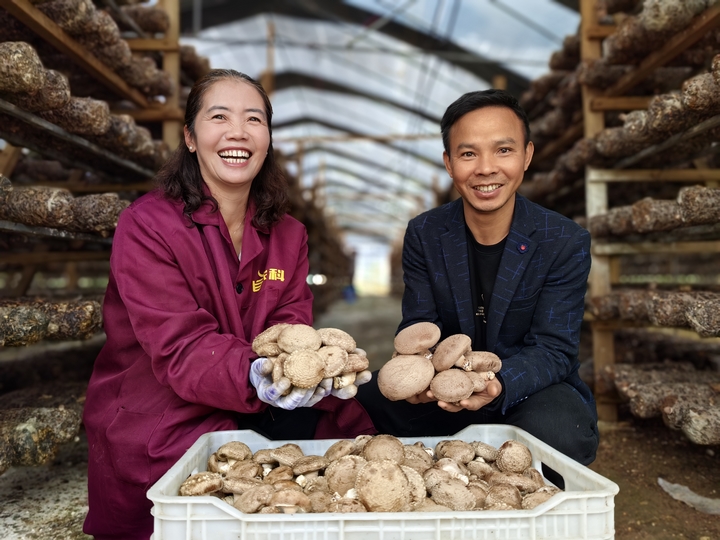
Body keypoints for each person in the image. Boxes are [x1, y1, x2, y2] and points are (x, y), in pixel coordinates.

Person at [82, 69, 375, 540]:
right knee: (213, 481)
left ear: (268, 139)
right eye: (219, 116)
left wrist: (307, 368)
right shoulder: (148, 225)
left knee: (346, 440)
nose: (238, 132)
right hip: (162, 401)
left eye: (254, 119)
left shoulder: (288, 233)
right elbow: (179, 344)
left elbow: (290, 323)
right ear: (191, 138)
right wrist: (251, 375)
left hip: (255, 397)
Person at [356, 89, 599, 474]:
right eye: (468, 154)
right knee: (357, 405)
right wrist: (420, 373)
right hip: (444, 391)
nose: (486, 168)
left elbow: (555, 348)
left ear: (527, 155)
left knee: (559, 431)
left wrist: (496, 384)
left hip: (526, 389)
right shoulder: (425, 233)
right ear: (449, 163)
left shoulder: (563, 240)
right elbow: (418, 323)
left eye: (503, 150)